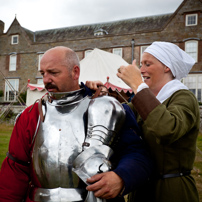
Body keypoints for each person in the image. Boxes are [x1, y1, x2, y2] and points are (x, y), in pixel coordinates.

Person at [0, 46, 153, 202]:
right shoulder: (31, 116)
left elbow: (137, 154)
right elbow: (15, 170)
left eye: (53, 73)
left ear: (75, 72)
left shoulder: (105, 108)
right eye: (43, 73)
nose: (46, 79)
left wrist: (121, 177)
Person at [116, 41, 200, 202]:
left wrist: (137, 85)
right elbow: (118, 116)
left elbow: (167, 129)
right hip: (142, 188)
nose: (141, 70)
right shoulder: (145, 101)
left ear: (167, 67)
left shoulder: (183, 97)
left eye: (147, 64)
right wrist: (97, 96)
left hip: (172, 191)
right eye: (141, 65)